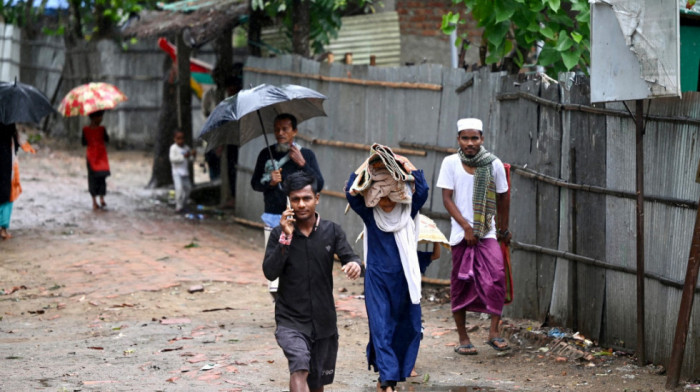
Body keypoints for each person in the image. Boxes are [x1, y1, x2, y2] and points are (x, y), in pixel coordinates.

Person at [263, 171, 362, 392]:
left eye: (306, 198)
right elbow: (270, 272)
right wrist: (285, 239)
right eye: (295, 199)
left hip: (323, 322)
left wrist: (355, 264)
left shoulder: (332, 231)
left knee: (316, 384)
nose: (301, 204)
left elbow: (350, 257)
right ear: (289, 201)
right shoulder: (279, 233)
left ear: (317, 198)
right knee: (299, 368)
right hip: (290, 320)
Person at [345, 151, 429, 392]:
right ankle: (387, 379)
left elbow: (422, 191)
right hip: (378, 280)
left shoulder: (408, 212)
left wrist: (405, 163)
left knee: (408, 327)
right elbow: (351, 192)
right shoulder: (371, 215)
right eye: (380, 195)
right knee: (381, 327)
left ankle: (393, 373)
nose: (387, 201)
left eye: (392, 194)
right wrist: (369, 163)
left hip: (405, 280)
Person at [436, 117, 512, 355]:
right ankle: (463, 337)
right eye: (465, 138)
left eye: (475, 138)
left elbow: (503, 196)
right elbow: (447, 198)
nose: (470, 143)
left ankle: (493, 332)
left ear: (482, 139)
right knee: (461, 283)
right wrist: (466, 227)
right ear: (458, 139)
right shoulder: (450, 163)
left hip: (487, 231)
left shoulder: (493, 164)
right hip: (461, 233)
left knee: (497, 276)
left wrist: (502, 229)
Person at [251, 113, 325, 297]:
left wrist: (303, 164)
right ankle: (278, 299)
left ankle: (298, 298)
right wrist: (271, 183)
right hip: (273, 215)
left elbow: (319, 184)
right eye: (277, 129)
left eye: (285, 129)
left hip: (299, 217)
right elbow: (254, 184)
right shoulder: (265, 154)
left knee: (298, 258)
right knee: (275, 257)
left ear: (295, 131)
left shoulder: (305, 154)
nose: (280, 133)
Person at [82, 110, 111, 210]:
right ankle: (99, 199)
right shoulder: (102, 129)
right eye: (100, 116)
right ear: (94, 117)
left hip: (92, 156)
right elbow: (107, 139)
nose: (101, 119)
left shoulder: (85, 130)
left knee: (94, 178)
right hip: (100, 157)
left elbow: (83, 143)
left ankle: (96, 201)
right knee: (100, 178)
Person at [169, 130, 196, 213]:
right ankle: (178, 206)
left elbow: (190, 160)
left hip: (185, 173)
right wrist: (183, 157)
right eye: (178, 138)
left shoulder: (186, 148)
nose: (180, 141)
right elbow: (172, 159)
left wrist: (193, 156)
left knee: (188, 189)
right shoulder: (173, 148)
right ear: (175, 139)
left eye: (182, 138)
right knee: (179, 189)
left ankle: (183, 205)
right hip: (177, 172)